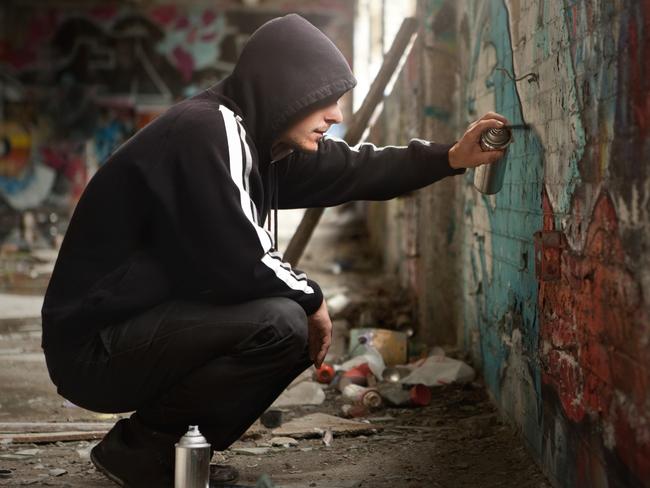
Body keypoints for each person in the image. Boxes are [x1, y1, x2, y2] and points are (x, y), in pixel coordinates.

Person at [41, 14, 508, 487]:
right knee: (284, 322)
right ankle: (145, 454)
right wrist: (313, 299)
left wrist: (449, 158)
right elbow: (238, 257)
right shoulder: (210, 129)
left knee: (283, 317)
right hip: (95, 348)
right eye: (325, 99)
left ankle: (157, 454)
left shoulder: (261, 143)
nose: (336, 115)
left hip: (129, 330)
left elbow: (351, 169)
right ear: (285, 89)